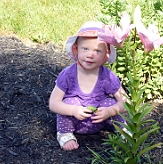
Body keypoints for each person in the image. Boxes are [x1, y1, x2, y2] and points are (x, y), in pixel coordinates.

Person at [49, 21, 128, 151]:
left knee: (110, 103)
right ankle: (65, 134)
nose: (90, 54)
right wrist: (73, 110)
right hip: (75, 120)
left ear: (105, 56)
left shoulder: (108, 76)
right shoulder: (68, 74)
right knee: (68, 102)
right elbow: (53, 103)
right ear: (76, 50)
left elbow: (125, 102)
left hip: (100, 120)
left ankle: (121, 130)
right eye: (85, 49)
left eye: (97, 51)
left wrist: (109, 111)